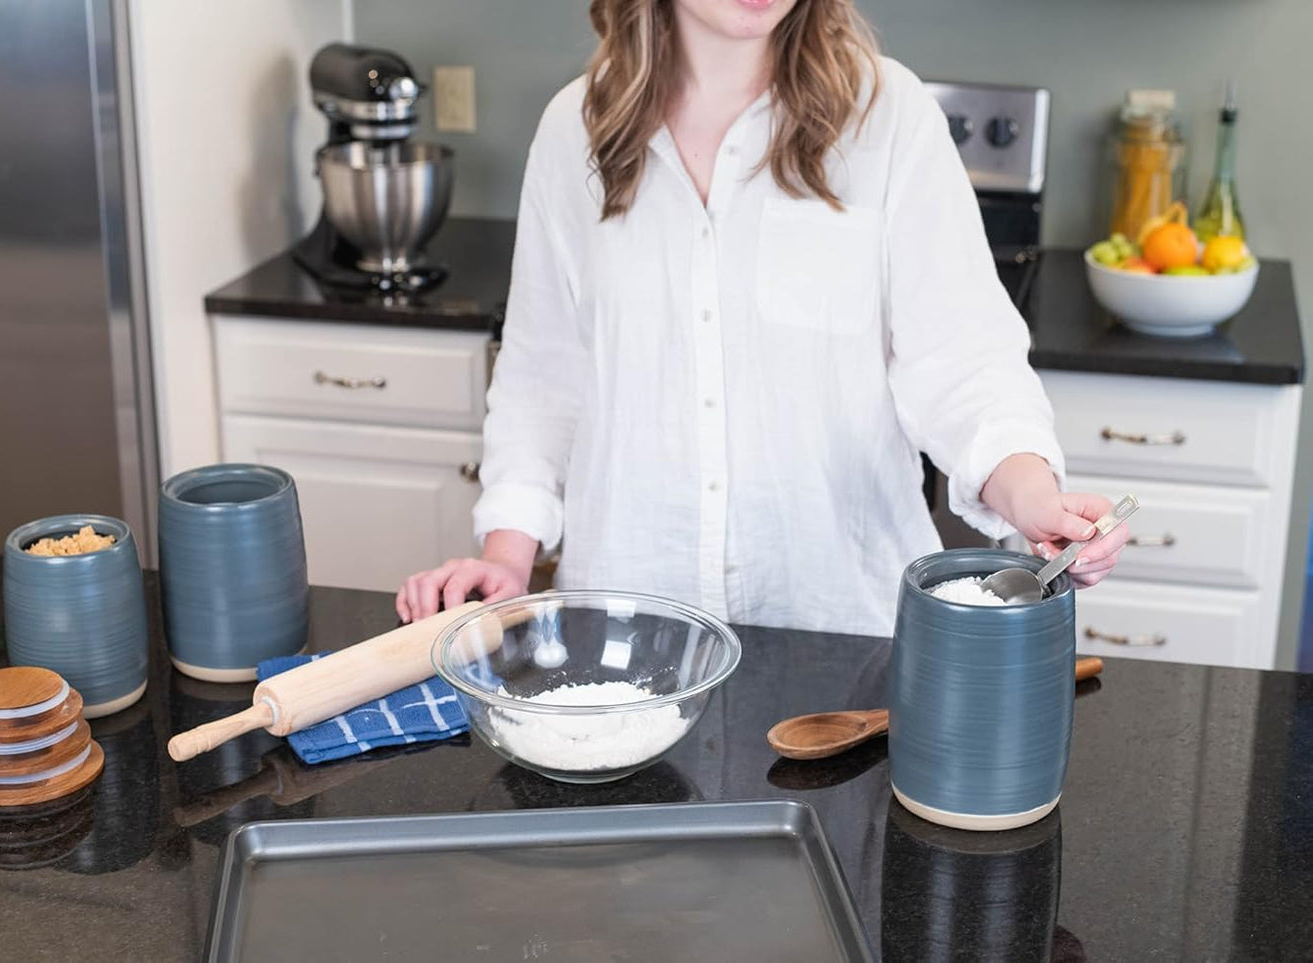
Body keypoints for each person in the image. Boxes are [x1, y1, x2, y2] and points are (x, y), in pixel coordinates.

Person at [397, 0, 1127, 634]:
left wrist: (1035, 502)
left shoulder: (887, 116)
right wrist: (505, 557)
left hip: (843, 634)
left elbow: (964, 363)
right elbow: (541, 375)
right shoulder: (576, 128)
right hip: (627, 631)